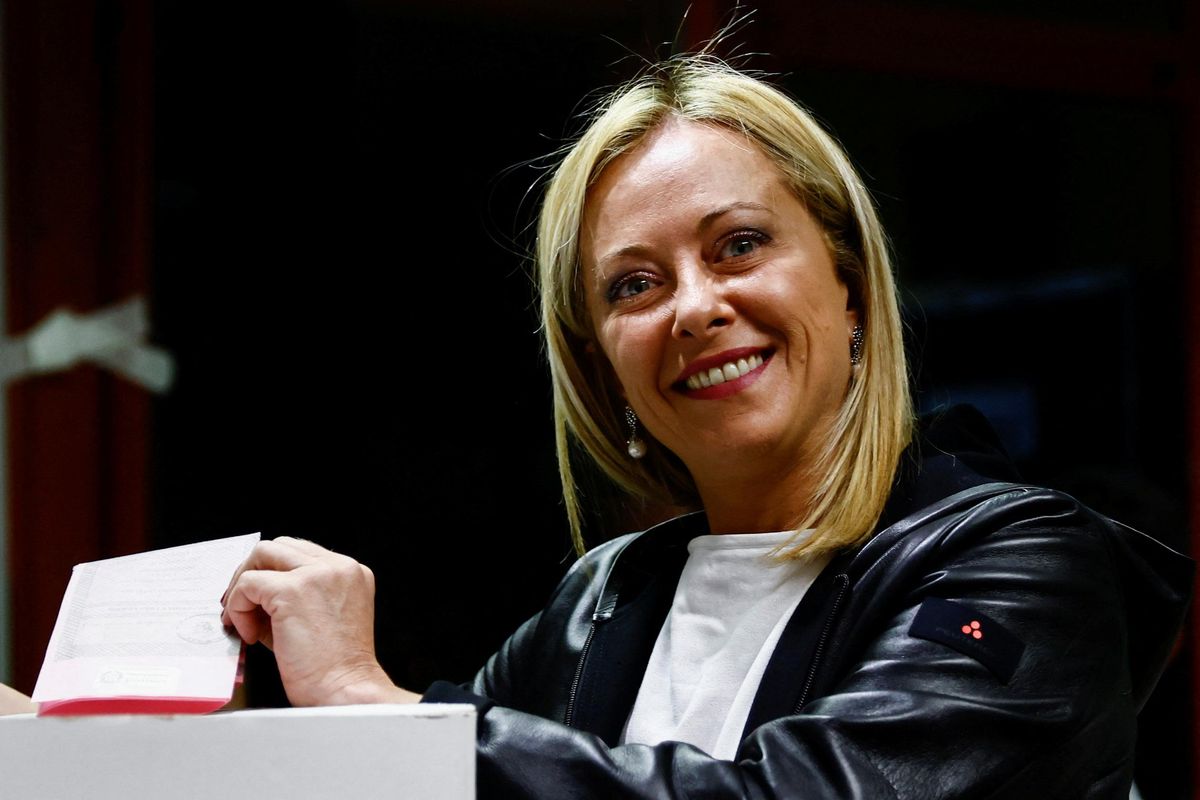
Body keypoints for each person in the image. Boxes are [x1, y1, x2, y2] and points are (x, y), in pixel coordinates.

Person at [10, 51, 1191, 797]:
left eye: (738, 244)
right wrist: (74, 749)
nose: (694, 306)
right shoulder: (607, 594)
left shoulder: (1027, 560)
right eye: (633, 284)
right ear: (604, 366)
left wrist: (372, 712)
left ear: (847, 285)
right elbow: (422, 781)